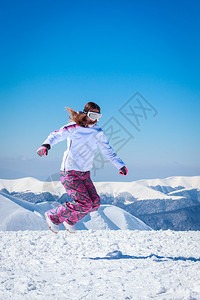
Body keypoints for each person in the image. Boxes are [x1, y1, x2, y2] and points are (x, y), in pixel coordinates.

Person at [37, 102, 128, 234]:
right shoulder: (74, 127)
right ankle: (53, 216)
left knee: (95, 203)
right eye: (92, 115)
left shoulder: (97, 132)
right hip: (70, 172)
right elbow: (55, 135)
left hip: (85, 173)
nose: (95, 119)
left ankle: (70, 221)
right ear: (86, 114)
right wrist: (46, 145)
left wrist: (120, 165)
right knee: (83, 203)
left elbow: (107, 150)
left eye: (98, 116)